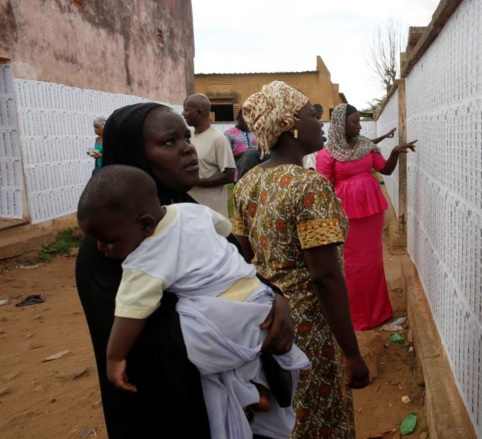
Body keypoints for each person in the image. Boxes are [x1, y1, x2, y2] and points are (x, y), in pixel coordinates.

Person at [75, 102, 296, 439]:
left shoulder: (187, 213)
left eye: (186, 138)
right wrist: (241, 326)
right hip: (173, 415)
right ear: (135, 154)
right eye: (168, 142)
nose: (187, 150)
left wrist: (271, 297)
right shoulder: (106, 249)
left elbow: (234, 268)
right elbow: (147, 346)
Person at [233, 81, 371, 438]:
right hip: (307, 324)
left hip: (267, 318)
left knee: (287, 415)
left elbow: (246, 251)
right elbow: (325, 277)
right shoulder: (308, 186)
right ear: (291, 125)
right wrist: (352, 354)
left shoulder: (247, 183)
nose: (321, 124)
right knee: (316, 416)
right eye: (313, 115)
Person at [316, 103, 417, 331]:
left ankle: (379, 314)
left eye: (359, 121)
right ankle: (356, 317)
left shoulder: (367, 147)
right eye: (354, 122)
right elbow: (323, 189)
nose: (359, 126)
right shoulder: (327, 154)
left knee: (372, 264)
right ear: (341, 125)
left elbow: (386, 170)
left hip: (370, 214)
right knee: (353, 267)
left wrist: (394, 153)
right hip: (346, 217)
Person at [182, 93, 236, 217]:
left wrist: (196, 182)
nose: (183, 114)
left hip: (211, 211)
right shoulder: (187, 136)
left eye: (186, 110)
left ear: (199, 113)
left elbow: (229, 175)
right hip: (189, 208)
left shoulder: (218, 139)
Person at [225, 109, 265, 179]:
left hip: (255, 169)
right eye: (243, 120)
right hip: (238, 170)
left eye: (249, 120)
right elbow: (226, 155)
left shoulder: (256, 133)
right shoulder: (228, 134)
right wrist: (245, 153)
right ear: (237, 119)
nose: (246, 123)